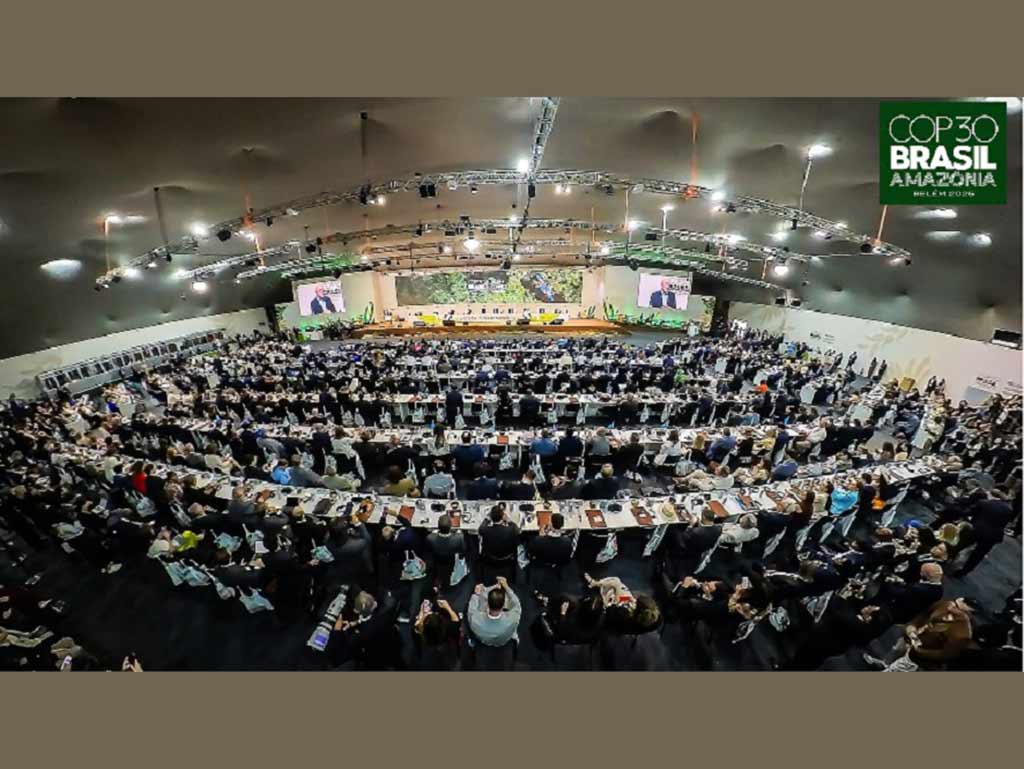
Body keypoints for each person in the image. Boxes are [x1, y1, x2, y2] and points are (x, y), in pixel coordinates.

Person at [467, 576, 522, 648]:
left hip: (484, 641)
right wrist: (506, 587)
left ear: (488, 604)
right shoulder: (513, 618)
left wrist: (476, 594)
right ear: (503, 605)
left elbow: (471, 610)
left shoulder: (475, 620)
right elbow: (517, 604)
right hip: (504, 641)